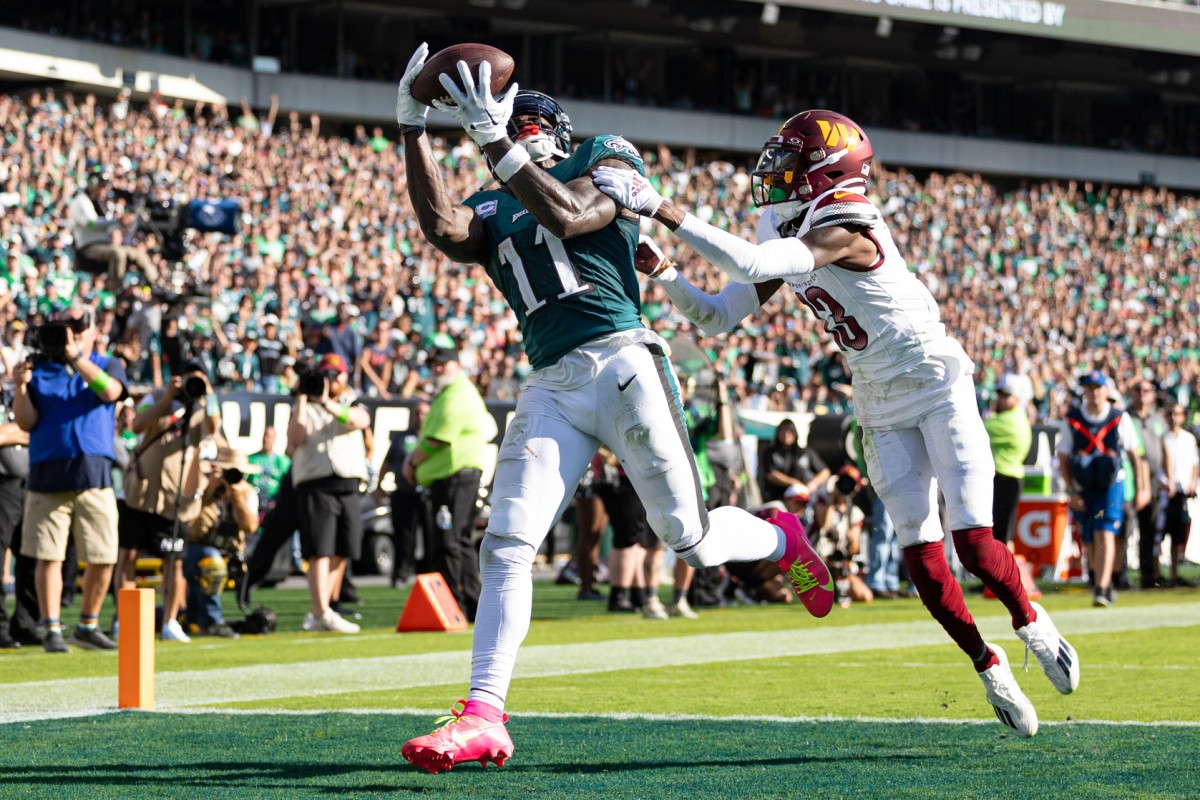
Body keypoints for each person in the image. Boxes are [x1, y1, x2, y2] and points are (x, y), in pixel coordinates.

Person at [395, 46, 833, 772]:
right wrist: (413, 128)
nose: (524, 125)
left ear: (559, 132)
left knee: (687, 538)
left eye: (535, 119)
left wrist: (496, 141)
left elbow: (571, 217)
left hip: (624, 359)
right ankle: (483, 712)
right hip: (551, 382)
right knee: (506, 542)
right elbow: (444, 230)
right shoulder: (493, 201)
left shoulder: (601, 155)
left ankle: (781, 539)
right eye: (514, 117)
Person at [595, 108, 1080, 738]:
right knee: (920, 551)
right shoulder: (783, 218)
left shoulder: (848, 220)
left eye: (792, 159)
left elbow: (752, 266)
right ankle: (988, 667)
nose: (775, 170)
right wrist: (665, 272)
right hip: (877, 396)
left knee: (975, 547)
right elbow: (717, 316)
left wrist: (663, 207)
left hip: (935, 382)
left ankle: (1030, 623)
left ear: (827, 172)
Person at [13, 306, 126, 652]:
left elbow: (111, 393)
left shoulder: (106, 364)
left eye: (80, 325)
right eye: (66, 326)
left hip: (93, 473)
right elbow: (25, 422)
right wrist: (19, 386)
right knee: (48, 555)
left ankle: (87, 625)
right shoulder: (41, 370)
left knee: (104, 554)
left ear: (94, 331)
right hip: (48, 473)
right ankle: (51, 629)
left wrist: (76, 357)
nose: (73, 330)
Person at [116, 358, 220, 643]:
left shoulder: (202, 408)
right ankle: (122, 619)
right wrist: (168, 397)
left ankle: (170, 621)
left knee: (173, 562)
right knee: (128, 556)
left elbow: (213, 429)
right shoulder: (156, 398)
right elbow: (137, 425)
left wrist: (208, 395)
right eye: (189, 379)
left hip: (176, 499)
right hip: (141, 495)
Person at [400, 346, 495, 621]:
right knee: (459, 541)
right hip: (453, 478)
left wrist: (411, 462)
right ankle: (472, 604)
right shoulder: (450, 393)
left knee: (449, 541)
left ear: (456, 365)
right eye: (434, 365)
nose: (437, 369)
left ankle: (455, 604)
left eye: (443, 364)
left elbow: (438, 439)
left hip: (455, 479)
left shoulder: (457, 393)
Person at [287, 352, 369, 633]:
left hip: (347, 482)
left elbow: (359, 420)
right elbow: (295, 438)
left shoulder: (351, 400)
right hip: (316, 482)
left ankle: (324, 609)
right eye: (327, 376)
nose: (331, 381)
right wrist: (301, 397)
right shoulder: (305, 405)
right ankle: (321, 609)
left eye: (336, 375)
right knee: (320, 549)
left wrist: (327, 403)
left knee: (343, 548)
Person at [1056, 371, 1143, 607]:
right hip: (1084, 485)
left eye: (1098, 387)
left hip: (1112, 484)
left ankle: (1102, 588)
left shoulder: (1118, 417)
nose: (1094, 392)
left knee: (1105, 531)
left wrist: (1142, 487)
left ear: (1106, 390)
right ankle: (1099, 579)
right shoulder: (1072, 419)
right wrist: (1071, 490)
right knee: (1091, 536)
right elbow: (1062, 457)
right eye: (1090, 388)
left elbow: (1135, 455)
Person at [184, 446, 260, 638]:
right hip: (195, 548)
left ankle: (183, 618)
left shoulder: (246, 493)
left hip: (229, 552)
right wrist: (208, 489)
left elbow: (251, 528)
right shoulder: (204, 487)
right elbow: (188, 520)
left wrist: (237, 499)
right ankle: (214, 621)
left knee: (190, 616)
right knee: (213, 563)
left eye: (237, 474)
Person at [67, 171, 157, 283]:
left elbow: (106, 225)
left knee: (139, 253)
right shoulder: (81, 201)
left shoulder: (99, 202)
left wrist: (123, 224)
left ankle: (155, 281)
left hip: (104, 244)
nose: (105, 191)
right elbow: (92, 224)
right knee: (118, 253)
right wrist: (117, 220)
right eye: (103, 187)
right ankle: (115, 288)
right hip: (88, 246)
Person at [812, 466, 874, 607]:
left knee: (865, 596)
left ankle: (838, 589)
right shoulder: (822, 504)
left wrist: (852, 537)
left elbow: (854, 549)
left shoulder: (855, 513)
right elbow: (824, 527)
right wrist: (832, 499)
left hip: (842, 563)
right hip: (822, 560)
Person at [383, 398, 429, 588]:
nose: (420, 417)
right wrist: (378, 485)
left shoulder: (434, 437)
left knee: (431, 536)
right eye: (417, 413)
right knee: (403, 537)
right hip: (404, 493)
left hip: (428, 495)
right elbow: (388, 461)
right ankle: (400, 573)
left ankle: (428, 574)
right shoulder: (402, 438)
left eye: (424, 413)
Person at [1126, 380, 1168, 589]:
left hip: (1153, 481)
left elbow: (1165, 448)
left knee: (1150, 530)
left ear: (1152, 394)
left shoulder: (1158, 420)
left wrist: (1168, 476)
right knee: (1125, 529)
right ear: (1132, 393)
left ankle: (1148, 575)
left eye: (1147, 390)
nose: (1143, 394)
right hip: (1130, 480)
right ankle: (1120, 576)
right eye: (1138, 390)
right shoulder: (1126, 417)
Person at [985, 374, 1034, 546]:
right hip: (1006, 479)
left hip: (1004, 479)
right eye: (1000, 394)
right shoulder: (1016, 418)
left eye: (1006, 395)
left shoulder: (1009, 421)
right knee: (1002, 534)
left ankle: (1003, 573)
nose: (1000, 398)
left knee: (1001, 536)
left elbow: (978, 430)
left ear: (1017, 399)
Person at [0, 385, 29, 648]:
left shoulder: (14, 396)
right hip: (2, 485)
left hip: (28, 484)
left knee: (30, 554)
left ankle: (25, 624)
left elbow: (34, 429)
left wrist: (11, 432)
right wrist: (13, 431)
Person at [1161, 402, 1198, 588]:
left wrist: (1192, 482)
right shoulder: (1163, 438)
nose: (1174, 417)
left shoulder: (1189, 438)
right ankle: (1164, 574)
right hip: (1167, 492)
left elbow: (1194, 463)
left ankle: (1175, 573)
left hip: (1184, 491)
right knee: (1164, 532)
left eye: (1178, 414)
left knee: (1180, 534)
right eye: (1171, 414)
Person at [758, 418, 830, 505]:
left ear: (795, 434)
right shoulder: (770, 452)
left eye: (789, 432)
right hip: (778, 500)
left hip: (803, 501)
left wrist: (813, 484)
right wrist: (794, 483)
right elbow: (771, 474)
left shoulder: (805, 452)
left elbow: (825, 471)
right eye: (783, 431)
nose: (786, 435)